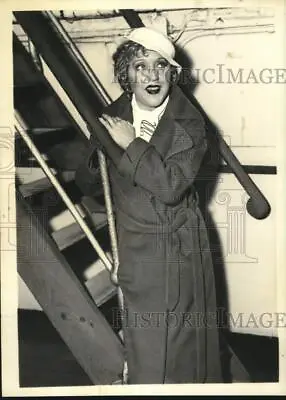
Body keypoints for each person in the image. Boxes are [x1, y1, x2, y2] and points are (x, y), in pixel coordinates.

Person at [75, 27, 222, 384]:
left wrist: (131, 143)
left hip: (177, 244)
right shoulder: (111, 116)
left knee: (181, 343)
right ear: (126, 74)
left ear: (172, 73)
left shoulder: (190, 123)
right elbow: (86, 182)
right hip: (135, 243)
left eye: (160, 66)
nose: (152, 75)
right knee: (148, 343)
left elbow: (171, 186)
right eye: (140, 66)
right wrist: (98, 157)